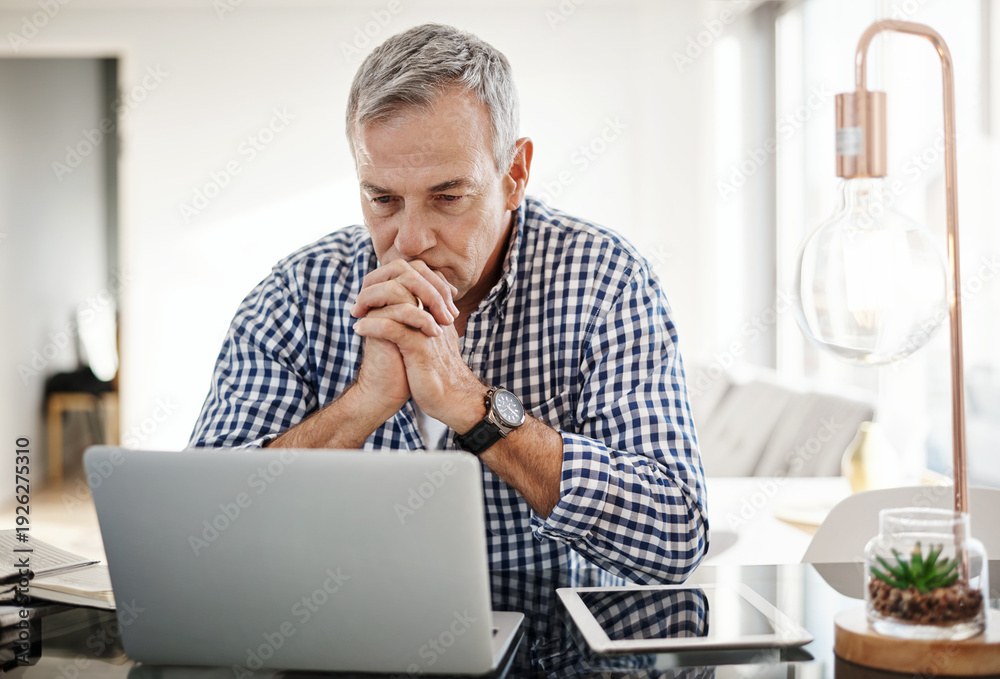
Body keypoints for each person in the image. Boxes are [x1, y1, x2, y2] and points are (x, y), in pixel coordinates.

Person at [189, 23, 707, 584]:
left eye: (448, 197)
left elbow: (675, 538)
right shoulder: (295, 294)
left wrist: (472, 405)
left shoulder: (607, 281)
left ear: (514, 175)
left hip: (548, 635)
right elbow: (200, 534)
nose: (410, 241)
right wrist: (361, 406)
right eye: (383, 199)